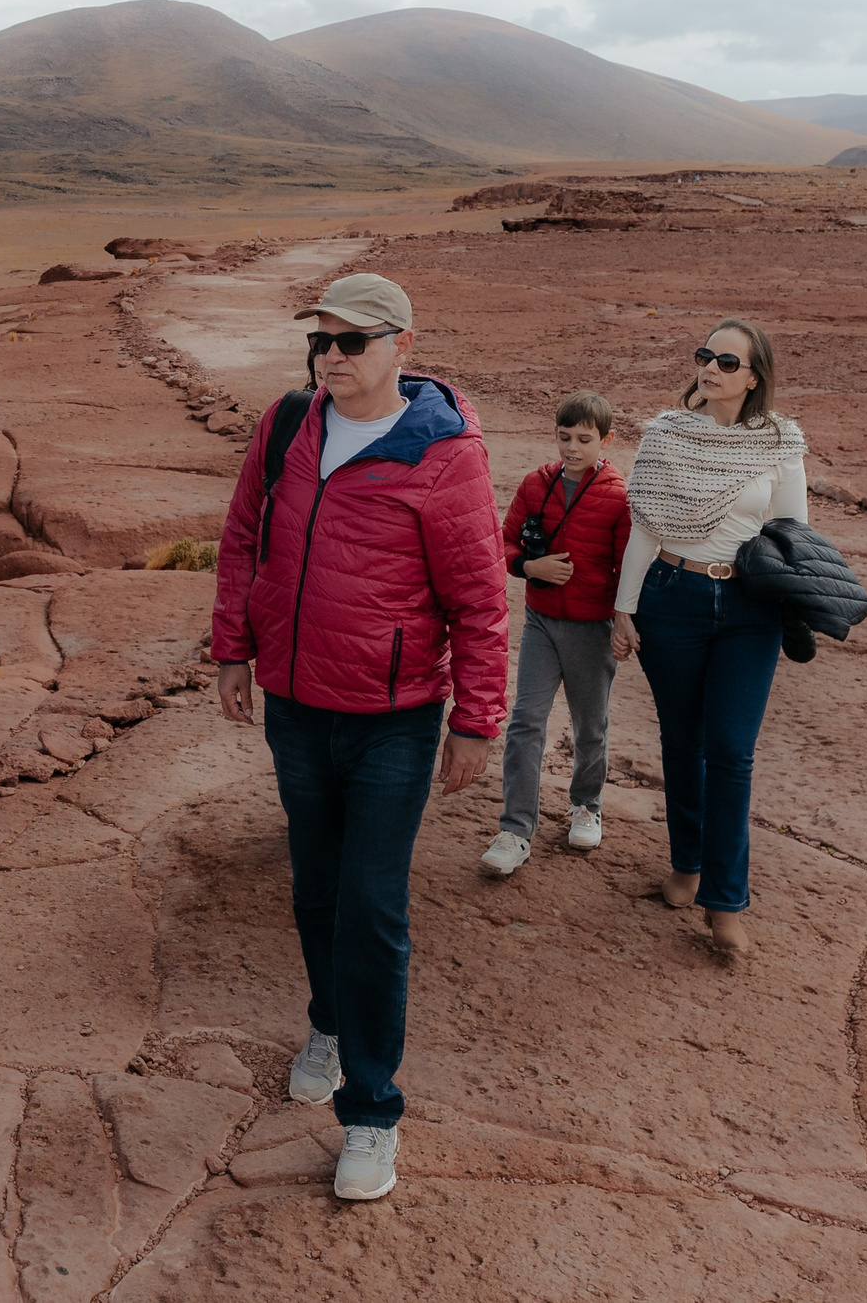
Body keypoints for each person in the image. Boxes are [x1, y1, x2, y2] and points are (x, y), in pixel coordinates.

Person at [211, 273, 511, 1203]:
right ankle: (327, 1021)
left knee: (373, 905)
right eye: (321, 341)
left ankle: (373, 1112)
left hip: (395, 718)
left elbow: (480, 599)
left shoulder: (445, 454)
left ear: (403, 345)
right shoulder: (288, 424)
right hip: (297, 705)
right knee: (314, 886)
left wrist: (476, 721)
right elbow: (242, 537)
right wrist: (233, 648)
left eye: (354, 341)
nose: (331, 358)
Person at [610, 320, 807, 960]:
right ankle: (686, 867)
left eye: (727, 360)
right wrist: (624, 607)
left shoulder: (778, 442)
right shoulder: (667, 434)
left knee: (729, 751)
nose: (711, 368)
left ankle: (724, 903)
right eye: (704, 356)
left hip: (749, 608)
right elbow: (645, 524)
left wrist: (796, 606)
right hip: (673, 599)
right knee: (682, 741)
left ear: (754, 376)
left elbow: (790, 536)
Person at [483, 391, 632, 876]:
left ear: (605, 440)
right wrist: (530, 565)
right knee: (526, 721)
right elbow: (502, 543)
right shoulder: (535, 485)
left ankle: (586, 804)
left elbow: (628, 567)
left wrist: (622, 622)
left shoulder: (616, 495)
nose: (572, 448)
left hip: (593, 629)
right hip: (543, 623)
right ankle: (515, 829)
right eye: (564, 437)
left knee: (591, 726)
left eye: (584, 439)